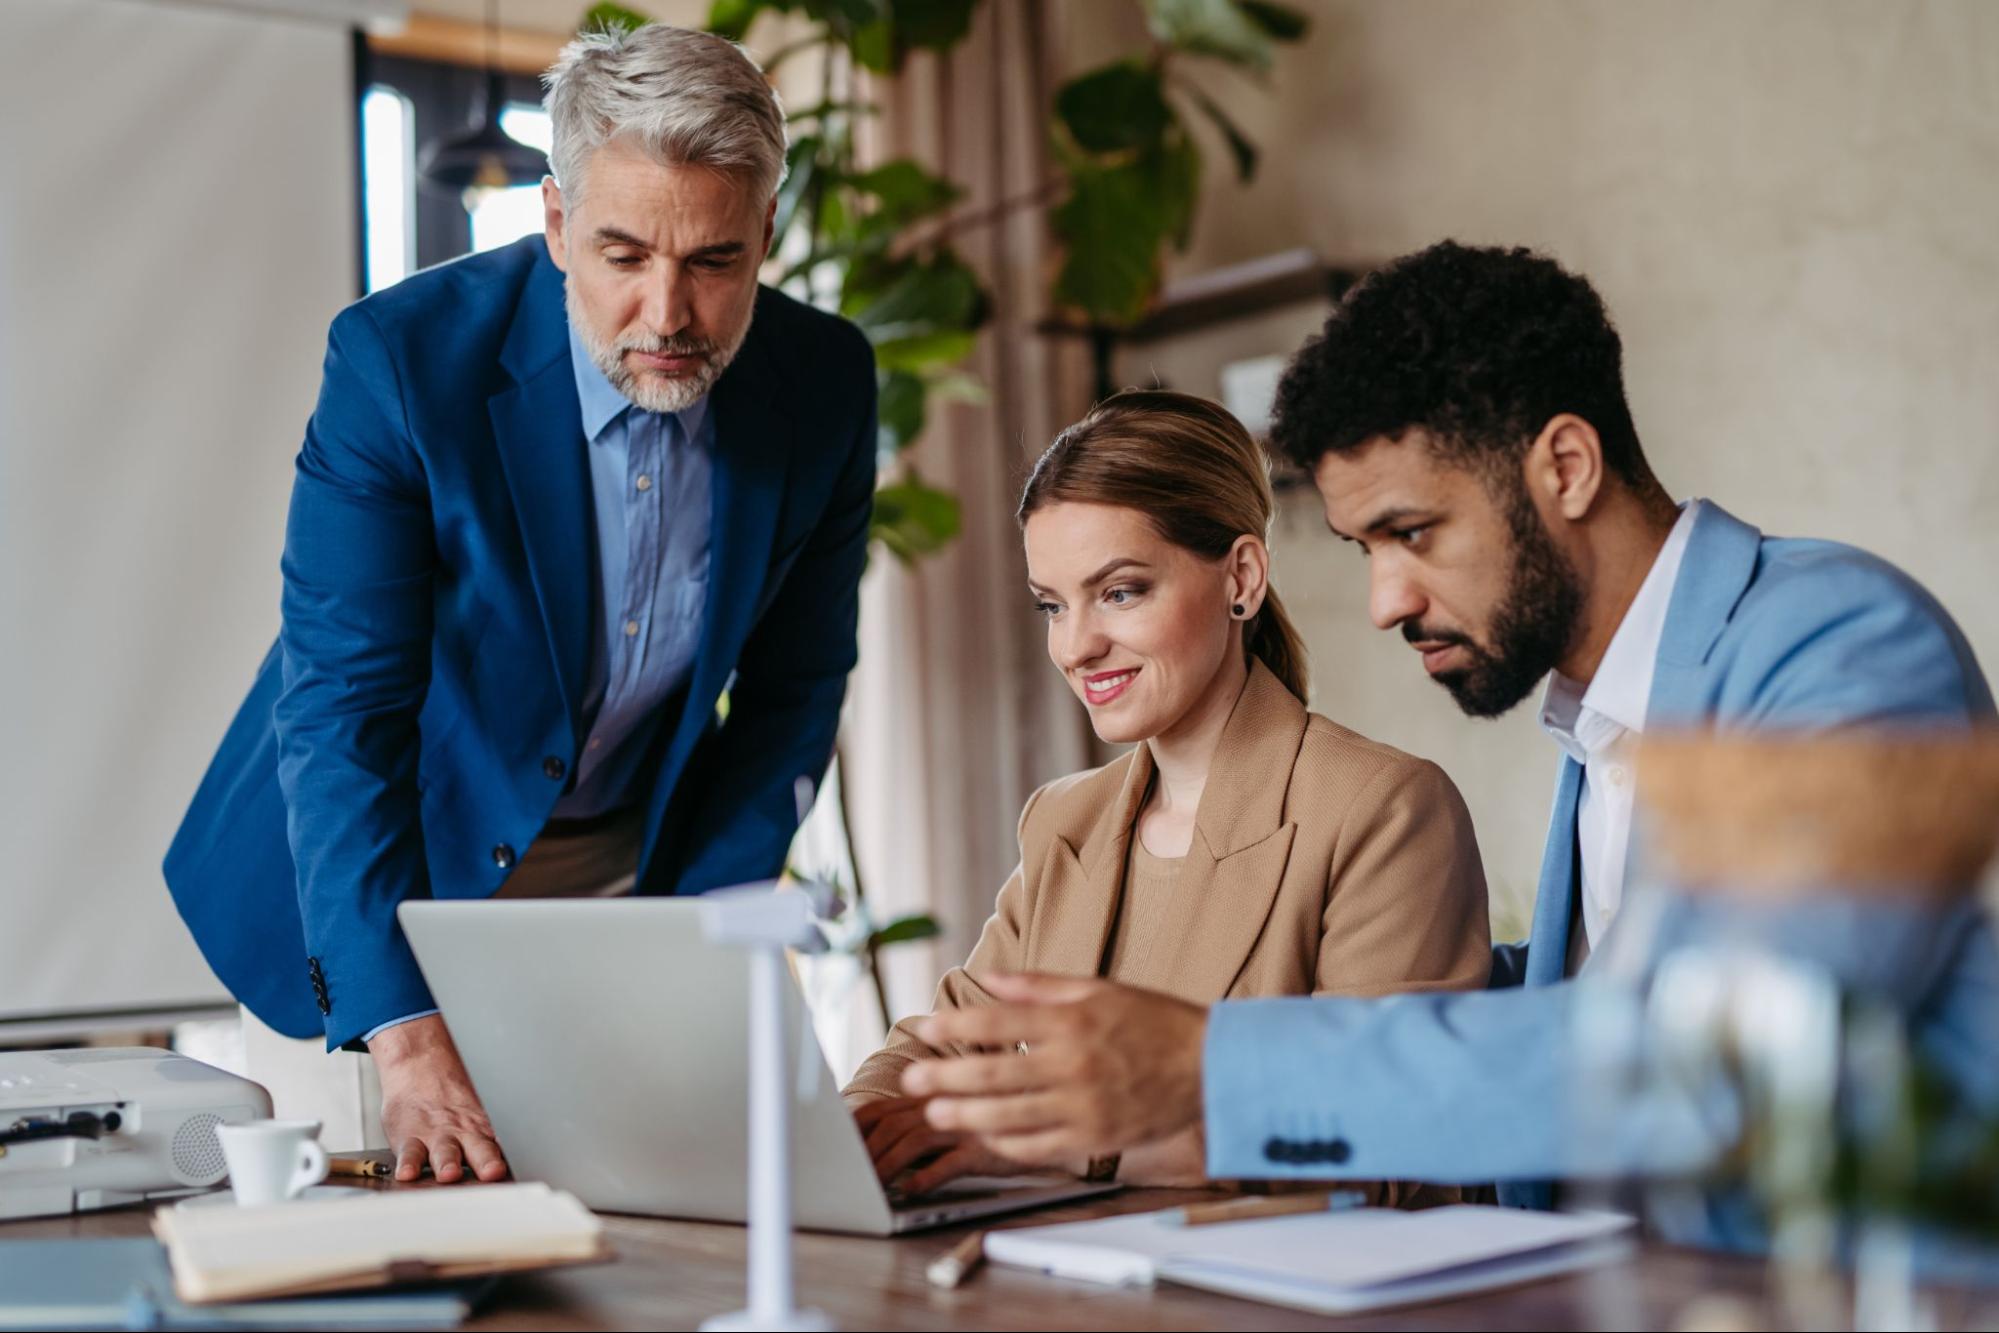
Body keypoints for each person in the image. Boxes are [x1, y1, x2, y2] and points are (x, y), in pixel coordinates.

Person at [894, 242, 1999, 1236]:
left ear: (1563, 466)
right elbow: (1610, 1002)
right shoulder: (1605, 721)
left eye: (1410, 532)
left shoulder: (1837, 644)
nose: (1382, 598)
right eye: (1360, 544)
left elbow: (1735, 1052)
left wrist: (1208, 1067)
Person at [164, 24, 877, 1183]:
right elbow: (342, 713)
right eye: (622, 253)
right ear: (553, 224)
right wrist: (402, 1033)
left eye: (713, 261)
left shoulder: (825, 382)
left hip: (613, 864)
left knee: (614, 1239)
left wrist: (685, 943)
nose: (668, 314)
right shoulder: (398, 363)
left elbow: (798, 692)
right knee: (374, 1260)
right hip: (380, 860)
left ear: (765, 237)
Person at [845, 390, 1490, 1200]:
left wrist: (1029, 1148)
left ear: (1242, 578)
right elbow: (941, 1049)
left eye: (1120, 591)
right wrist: (840, 1137)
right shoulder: (1063, 822)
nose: (1076, 645)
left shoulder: (1383, 809)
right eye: (1052, 604)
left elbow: (1390, 1147)